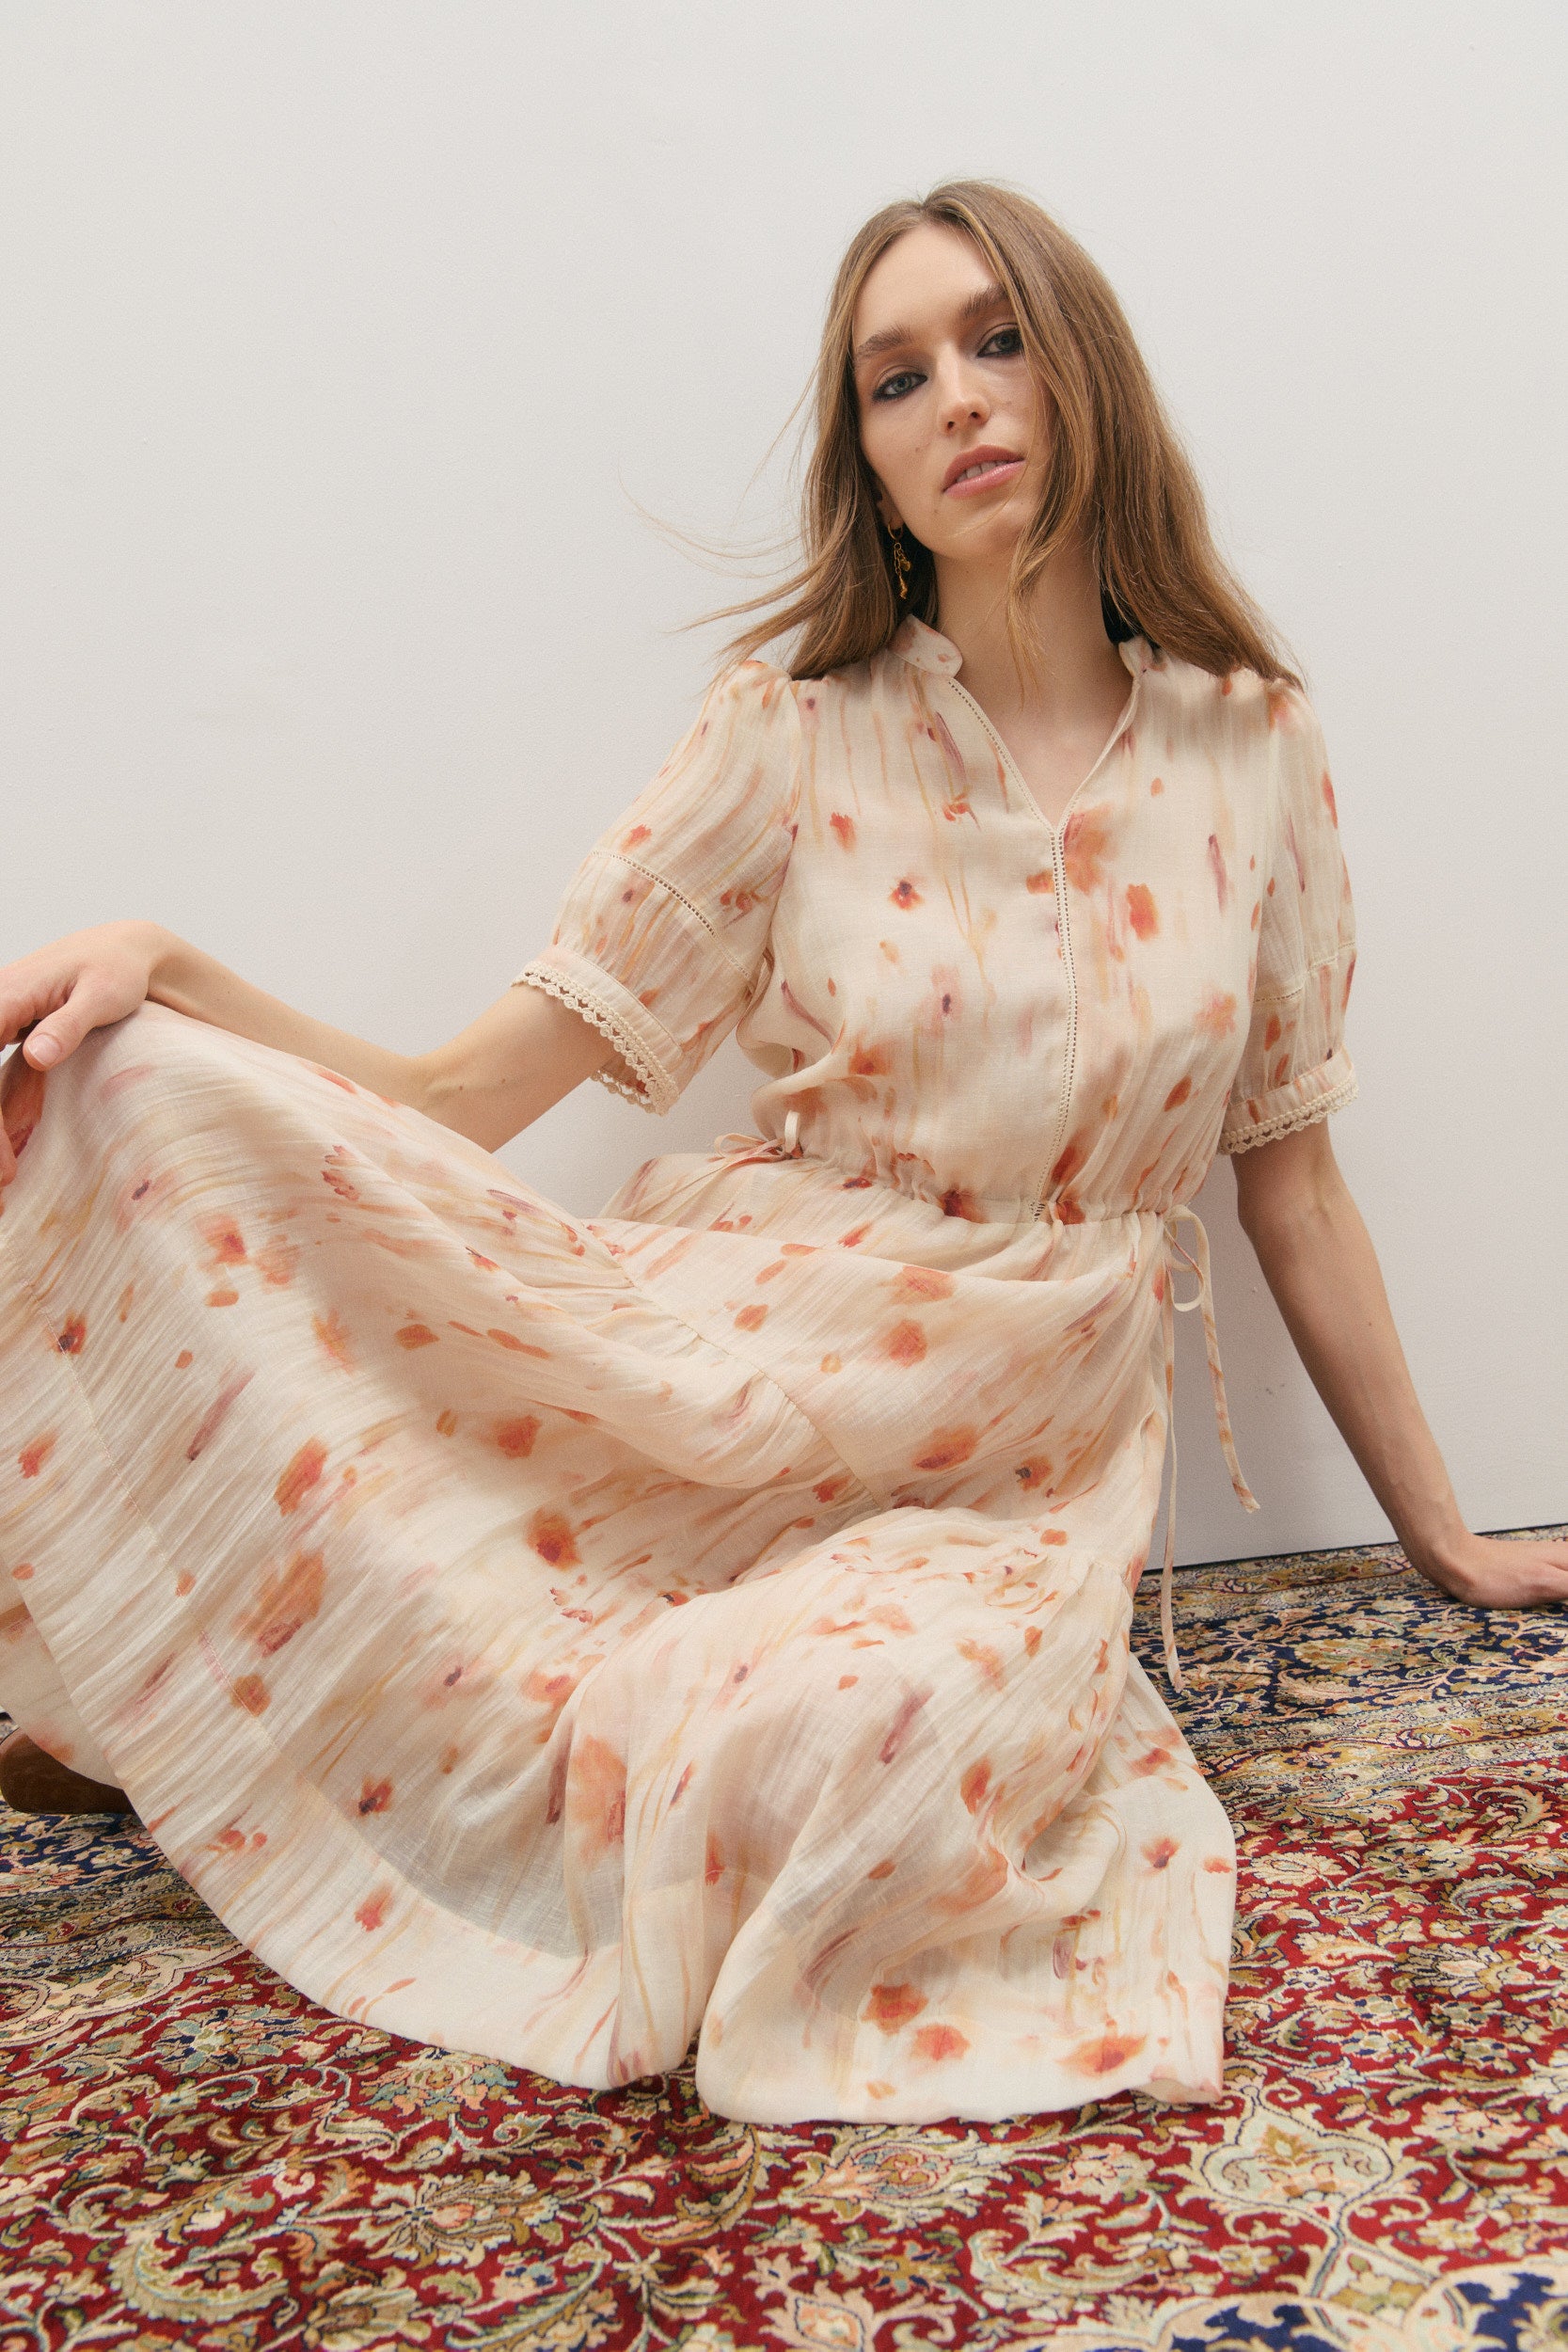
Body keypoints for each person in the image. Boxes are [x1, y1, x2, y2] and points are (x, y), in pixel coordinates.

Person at [0, 181, 1561, 2129]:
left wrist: (1444, 1534)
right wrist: (174, 974)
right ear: (871, 466)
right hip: (730, 1356)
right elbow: (462, 1094)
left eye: (998, 340)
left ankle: (262, 1727)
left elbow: (1293, 1181)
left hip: (1013, 1458)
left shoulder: (1253, 744)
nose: (958, 398)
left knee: (850, 1723)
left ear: (1085, 369)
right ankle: (203, 1709)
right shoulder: (789, 731)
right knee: (198, 1166)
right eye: (896, 379)